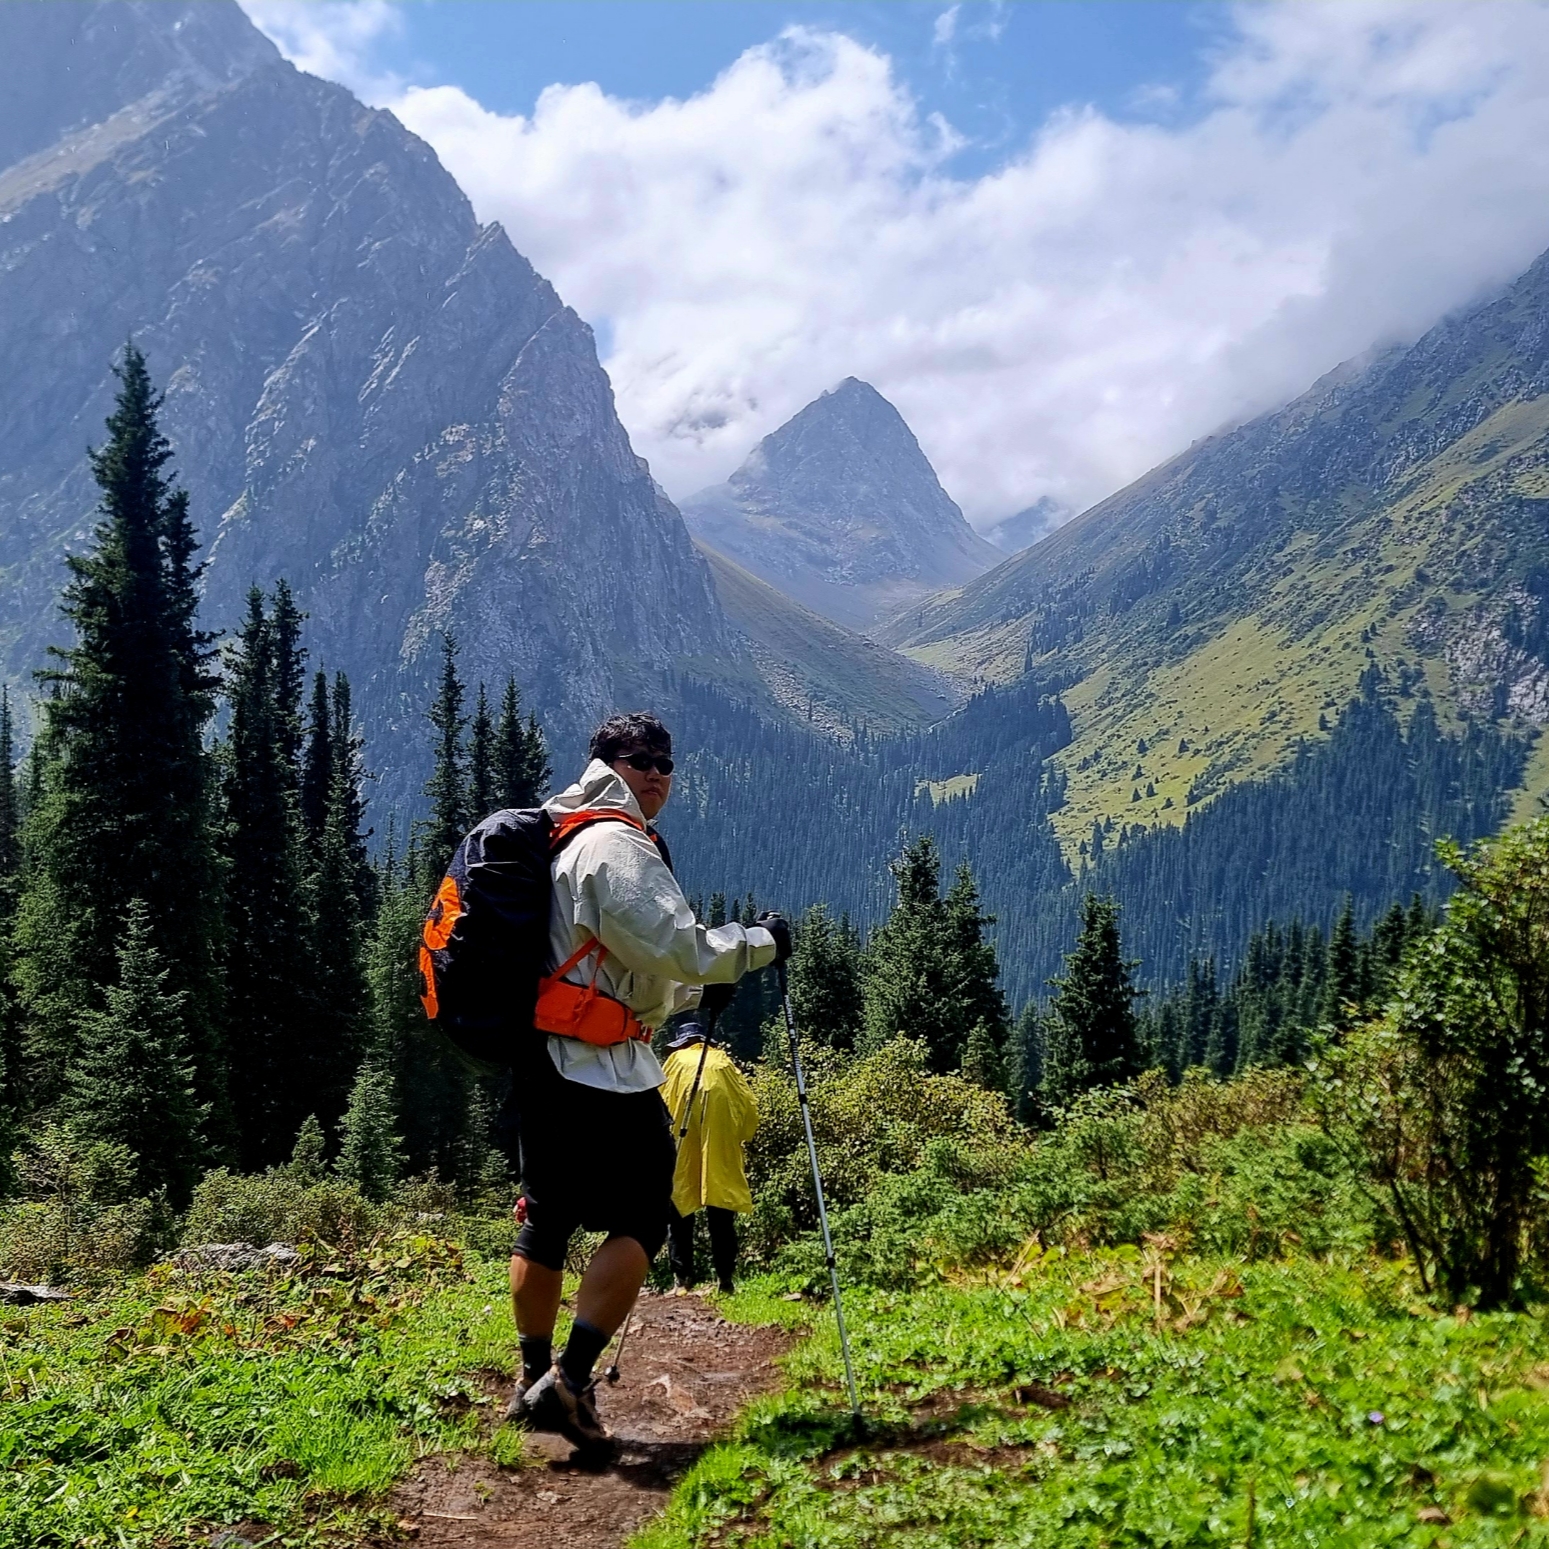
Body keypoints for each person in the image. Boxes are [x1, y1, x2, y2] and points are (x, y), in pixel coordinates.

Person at [504, 711, 791, 1452]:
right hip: (601, 1067)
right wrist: (758, 943)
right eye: (640, 759)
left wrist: (692, 995)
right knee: (643, 1217)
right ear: (605, 762)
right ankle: (567, 1380)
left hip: (544, 1055)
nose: (657, 772)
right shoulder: (615, 842)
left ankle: (531, 1378)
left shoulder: (564, 833)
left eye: (666, 760)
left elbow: (616, 962)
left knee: (546, 1215)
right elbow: (677, 944)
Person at [662, 1020, 759, 1295]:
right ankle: (725, 1280)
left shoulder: (674, 1061)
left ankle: (682, 1280)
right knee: (720, 1205)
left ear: (681, 1043)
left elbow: (658, 1100)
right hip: (720, 1142)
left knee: (680, 1204)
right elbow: (748, 1105)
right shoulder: (723, 1062)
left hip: (682, 1141)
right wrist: (740, 1136)